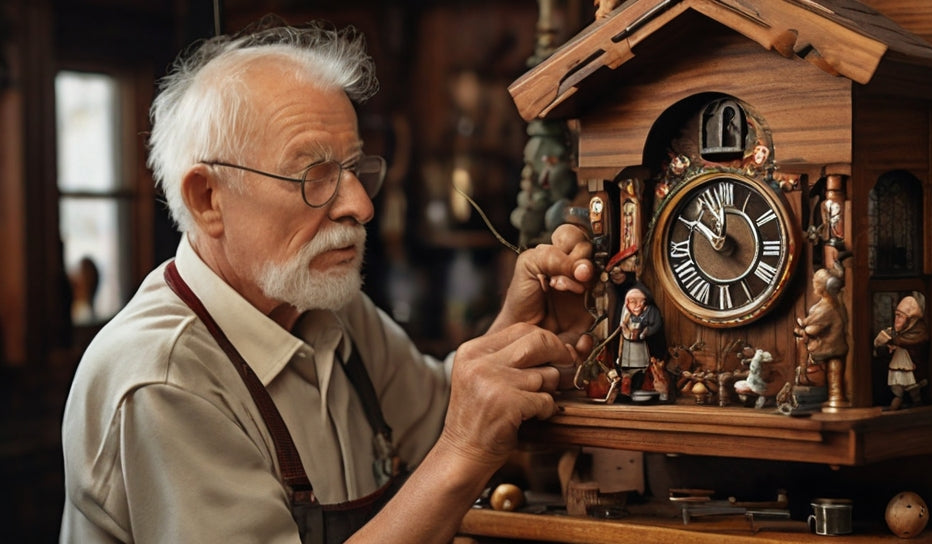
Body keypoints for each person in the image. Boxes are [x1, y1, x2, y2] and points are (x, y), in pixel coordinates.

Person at [59, 20, 595, 544]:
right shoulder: (164, 382)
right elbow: (455, 440)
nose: (360, 206)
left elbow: (439, 417)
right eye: (314, 176)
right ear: (208, 199)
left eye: (355, 169)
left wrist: (523, 328)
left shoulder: (327, 309)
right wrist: (464, 449)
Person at [874, 293, 929, 410]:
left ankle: (917, 404)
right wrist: (884, 344)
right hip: (897, 365)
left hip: (914, 368)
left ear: (910, 320)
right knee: (897, 388)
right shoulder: (897, 332)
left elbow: (908, 341)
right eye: (896, 315)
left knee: (913, 388)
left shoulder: (919, 331)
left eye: (900, 316)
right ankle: (894, 407)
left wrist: (892, 340)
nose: (896, 320)